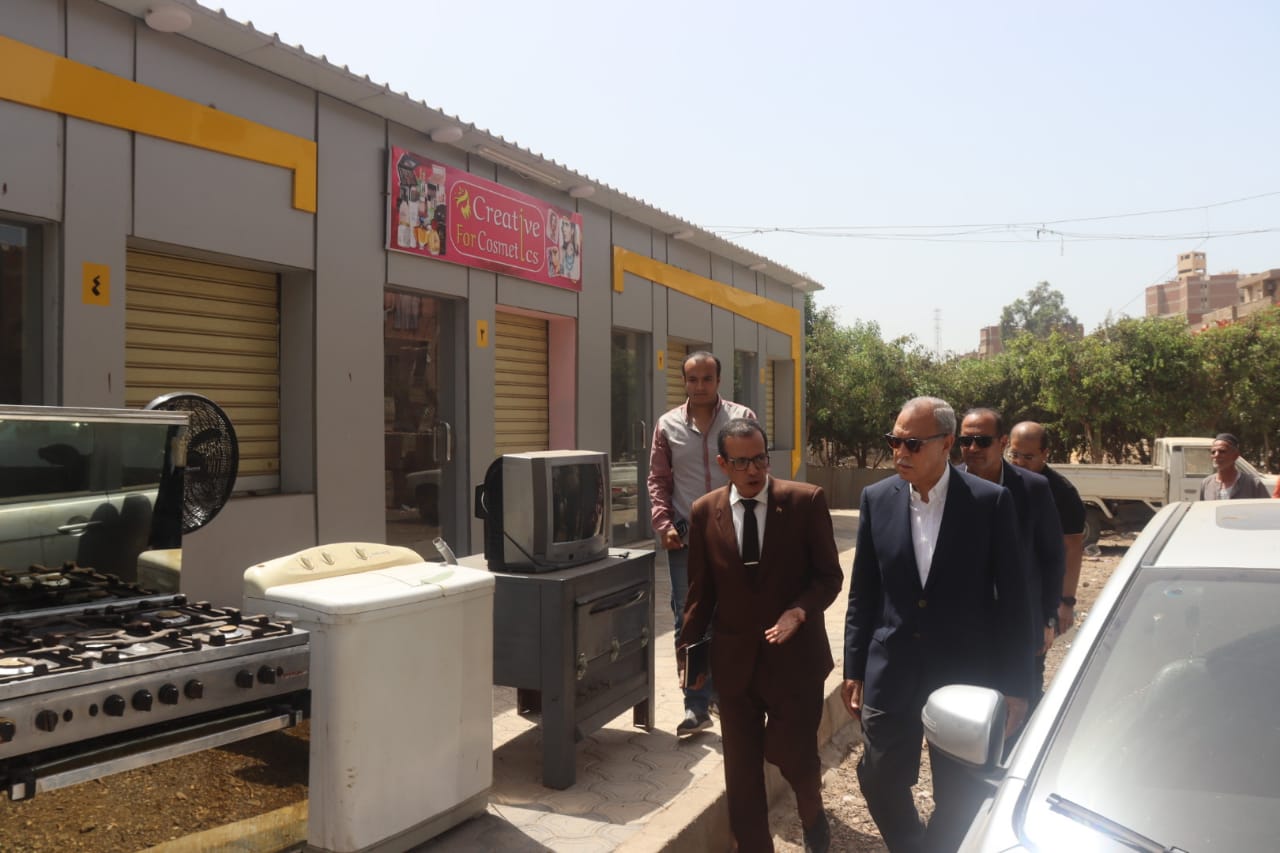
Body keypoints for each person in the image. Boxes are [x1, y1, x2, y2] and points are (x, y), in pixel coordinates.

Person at [842, 397, 1033, 853]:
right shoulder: (876, 499)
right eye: (894, 441)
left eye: (912, 444)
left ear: (947, 444)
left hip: (964, 672)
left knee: (962, 792)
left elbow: (1014, 600)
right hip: (892, 667)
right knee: (878, 776)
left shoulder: (989, 502)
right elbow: (864, 591)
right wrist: (854, 667)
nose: (899, 452)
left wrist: (1016, 686)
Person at [677, 418, 843, 853]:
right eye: (741, 462)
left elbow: (829, 577)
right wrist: (688, 655)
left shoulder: (805, 501)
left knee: (793, 755)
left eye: (760, 459)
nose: (753, 470)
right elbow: (700, 593)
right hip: (734, 663)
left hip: (796, 661)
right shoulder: (704, 511)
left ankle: (812, 815)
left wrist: (799, 611)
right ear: (722, 464)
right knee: (741, 771)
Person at [648, 351, 756, 735]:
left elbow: (756, 471)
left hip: (735, 536)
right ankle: (695, 705)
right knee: (689, 619)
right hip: (686, 538)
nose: (699, 386)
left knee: (733, 615)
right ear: (684, 382)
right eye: (692, 379)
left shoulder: (741, 419)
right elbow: (658, 480)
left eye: (707, 378)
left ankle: (729, 696)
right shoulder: (668, 425)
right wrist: (664, 524)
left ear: (718, 381)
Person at [959, 409, 1065, 709]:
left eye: (982, 441)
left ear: (1002, 442)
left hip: (1020, 627)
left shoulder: (1033, 488)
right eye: (966, 441)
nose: (973, 448)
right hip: (963, 628)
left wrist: (1048, 617)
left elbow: (1052, 556)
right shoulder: (947, 486)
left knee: (1018, 709)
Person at [1009, 421, 1087, 637]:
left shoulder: (1062, 493)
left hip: (1040, 597)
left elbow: (1072, 548)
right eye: (1014, 455)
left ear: (1045, 454)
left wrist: (1066, 602)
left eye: (1028, 457)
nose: (1019, 462)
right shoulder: (1000, 482)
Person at [1199, 433, 1271, 500]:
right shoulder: (1206, 484)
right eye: (1213, 452)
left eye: (1222, 451)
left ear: (1235, 455)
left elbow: (1266, 508)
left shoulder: (1253, 484)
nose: (1216, 455)